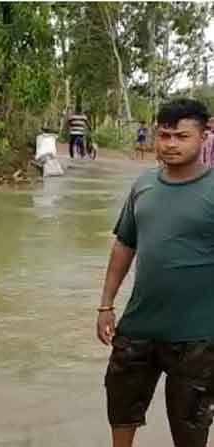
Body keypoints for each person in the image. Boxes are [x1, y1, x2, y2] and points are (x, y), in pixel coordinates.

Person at [97, 98, 214, 447]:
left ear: (205, 135)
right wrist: (105, 305)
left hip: (199, 337)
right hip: (138, 327)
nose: (171, 145)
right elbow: (124, 246)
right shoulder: (143, 185)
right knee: (120, 408)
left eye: (182, 136)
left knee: (190, 426)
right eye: (165, 135)